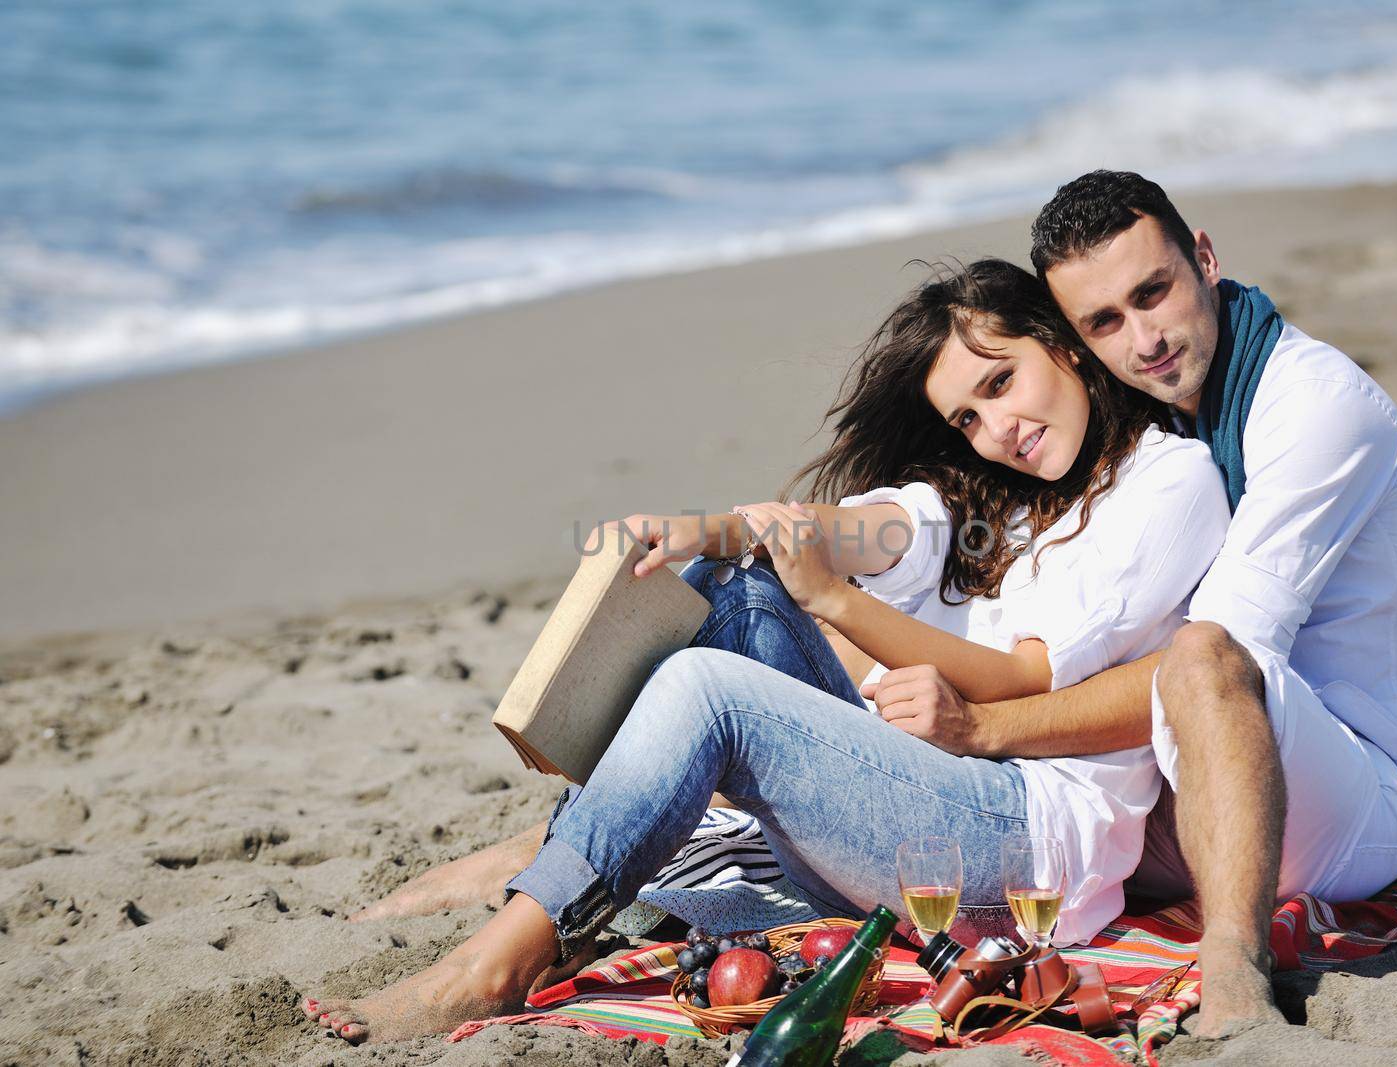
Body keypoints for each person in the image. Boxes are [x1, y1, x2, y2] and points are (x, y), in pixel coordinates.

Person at [301, 259, 1232, 1044]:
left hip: (1027, 850)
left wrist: (830, 602)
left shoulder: (1165, 483)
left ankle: (504, 952)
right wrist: (700, 529)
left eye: (1001, 383)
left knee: (713, 690)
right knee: (733, 593)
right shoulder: (990, 498)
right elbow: (855, 531)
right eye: (967, 418)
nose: (997, 429)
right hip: (918, 805)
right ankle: (560, 854)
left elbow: (1026, 680)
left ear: (1062, 345)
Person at [906, 169, 1397, 1037]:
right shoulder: (1153, 407)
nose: (1143, 338)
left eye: (1152, 293)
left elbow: (1219, 662)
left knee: (1200, 652)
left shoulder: (1317, 410)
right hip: (1183, 787)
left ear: (1206, 259)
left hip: (1349, 804)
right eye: (1104, 322)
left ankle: (1233, 969)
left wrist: (984, 727)